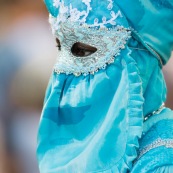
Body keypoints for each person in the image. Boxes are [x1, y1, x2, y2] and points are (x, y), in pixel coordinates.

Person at [37, 0, 173, 172]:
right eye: (60, 46)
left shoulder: (163, 163)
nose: (63, 70)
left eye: (83, 50)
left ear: (137, 62)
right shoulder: (86, 145)